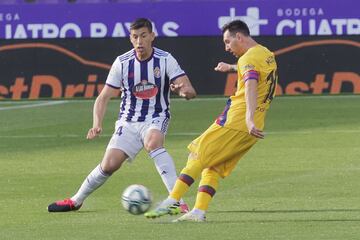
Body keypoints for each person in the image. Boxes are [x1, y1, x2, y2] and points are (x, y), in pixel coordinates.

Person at [48, 18, 196, 213]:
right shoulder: (122, 62)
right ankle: (76, 200)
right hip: (128, 121)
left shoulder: (165, 59)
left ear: (152, 36)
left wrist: (182, 91)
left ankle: (177, 200)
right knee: (109, 165)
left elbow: (189, 90)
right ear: (130, 38)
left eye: (143, 36)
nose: (139, 41)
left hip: (156, 116)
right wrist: (97, 124)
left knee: (152, 143)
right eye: (135, 37)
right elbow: (103, 97)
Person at [144, 19, 278, 222]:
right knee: (213, 165)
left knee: (197, 155)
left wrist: (248, 119)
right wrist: (232, 67)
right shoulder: (266, 54)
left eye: (227, 42)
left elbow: (251, 83)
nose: (226, 47)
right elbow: (252, 70)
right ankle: (198, 212)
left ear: (239, 37)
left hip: (238, 120)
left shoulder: (247, 60)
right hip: (254, 126)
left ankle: (172, 200)